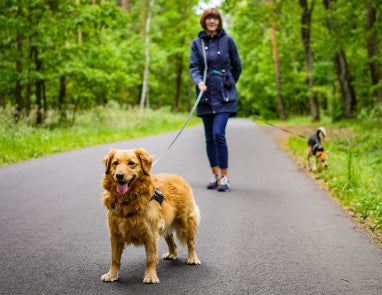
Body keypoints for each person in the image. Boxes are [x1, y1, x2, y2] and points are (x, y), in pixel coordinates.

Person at [189, 8, 242, 192]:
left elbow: (237, 66)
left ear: (219, 21)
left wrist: (229, 81)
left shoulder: (228, 41)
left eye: (215, 18)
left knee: (218, 133)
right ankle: (216, 175)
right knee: (209, 138)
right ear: (204, 21)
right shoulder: (197, 43)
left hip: (224, 96)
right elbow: (194, 67)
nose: (212, 21)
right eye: (209, 18)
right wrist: (199, 82)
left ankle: (225, 177)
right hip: (205, 95)